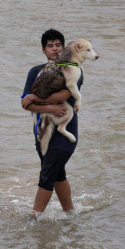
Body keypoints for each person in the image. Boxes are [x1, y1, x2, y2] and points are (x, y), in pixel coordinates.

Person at [21, 28, 79, 218]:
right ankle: (71, 214)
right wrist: (49, 107)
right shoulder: (35, 72)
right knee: (57, 174)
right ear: (43, 50)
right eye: (50, 46)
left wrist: (34, 98)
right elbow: (25, 104)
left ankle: (34, 218)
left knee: (47, 174)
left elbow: (64, 95)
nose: (54, 49)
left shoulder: (73, 69)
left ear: (64, 48)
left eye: (58, 45)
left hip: (65, 135)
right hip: (42, 133)